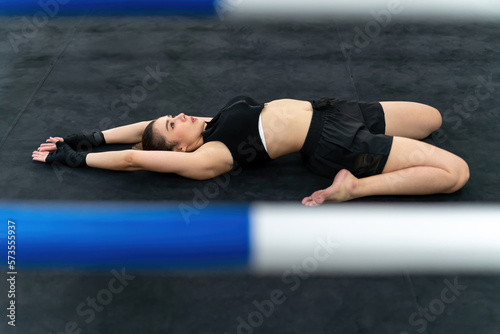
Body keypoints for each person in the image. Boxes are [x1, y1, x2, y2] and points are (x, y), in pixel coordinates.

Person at [32, 96, 469, 205]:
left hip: (337, 109)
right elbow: (134, 156)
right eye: (173, 124)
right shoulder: (208, 156)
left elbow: (138, 132)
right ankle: (353, 188)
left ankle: (362, 179)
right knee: (456, 173)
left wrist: (86, 135)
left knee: (432, 118)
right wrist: (72, 158)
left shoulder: (207, 125)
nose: (179, 115)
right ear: (180, 150)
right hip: (339, 145)